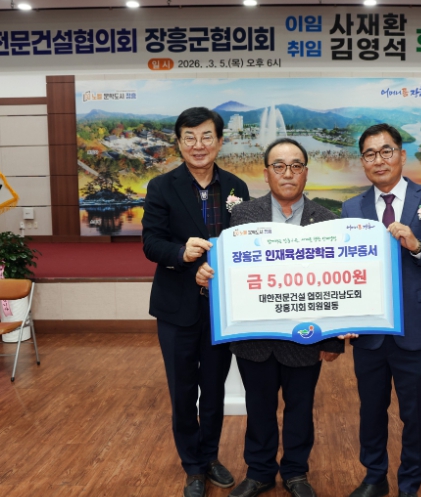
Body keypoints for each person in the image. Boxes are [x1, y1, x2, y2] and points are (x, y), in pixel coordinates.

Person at [196, 138, 345, 497]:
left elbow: (335, 284)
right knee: (258, 408)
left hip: (306, 337)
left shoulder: (326, 220)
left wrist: (333, 341)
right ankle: (260, 472)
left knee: (300, 409)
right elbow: (232, 273)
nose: (287, 173)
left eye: (295, 166)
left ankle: (295, 473)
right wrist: (208, 277)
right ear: (266, 174)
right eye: (279, 166)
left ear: (306, 172)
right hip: (255, 338)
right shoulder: (243, 216)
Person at [340, 124, 421, 497]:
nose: (379, 160)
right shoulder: (352, 207)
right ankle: (374, 478)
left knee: (415, 413)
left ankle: (410, 484)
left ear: (401, 155)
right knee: (371, 410)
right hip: (370, 330)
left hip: (417, 327)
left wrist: (418, 246)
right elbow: (344, 268)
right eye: (370, 154)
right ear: (363, 161)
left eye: (386, 151)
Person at [142, 107, 250, 497]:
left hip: (221, 307)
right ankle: (192, 466)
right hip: (176, 307)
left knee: (214, 388)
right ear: (179, 142)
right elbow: (151, 243)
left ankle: (209, 456)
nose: (198, 145)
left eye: (206, 136)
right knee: (183, 390)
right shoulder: (161, 187)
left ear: (219, 141)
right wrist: (182, 254)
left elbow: (243, 244)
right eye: (189, 137)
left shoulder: (237, 187)